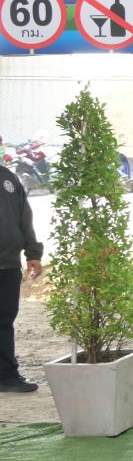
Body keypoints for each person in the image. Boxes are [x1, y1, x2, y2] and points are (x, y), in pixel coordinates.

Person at [0, 153, 43, 394]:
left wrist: (33, 253)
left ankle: (6, 376)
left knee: (4, 322)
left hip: (9, 265)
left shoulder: (8, 178)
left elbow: (24, 217)